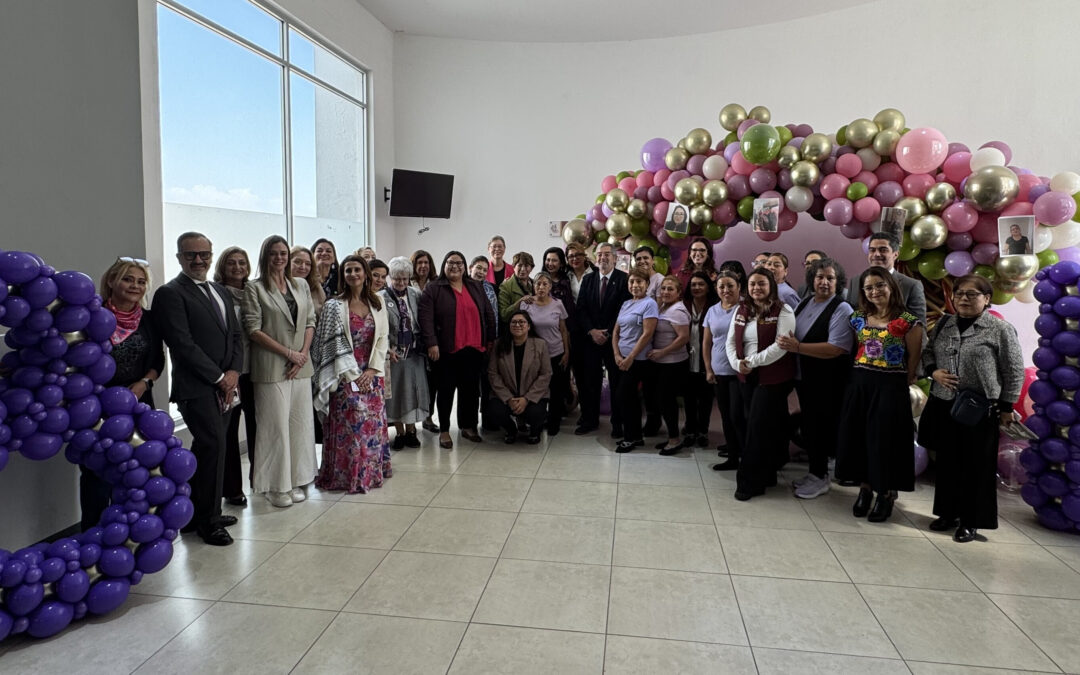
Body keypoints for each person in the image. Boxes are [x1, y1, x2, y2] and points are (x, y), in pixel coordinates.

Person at [153, 232, 243, 546]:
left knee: (208, 449)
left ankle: (196, 513)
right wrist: (220, 378)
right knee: (213, 446)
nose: (199, 260)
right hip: (197, 388)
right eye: (191, 255)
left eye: (204, 254)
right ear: (179, 257)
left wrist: (233, 371)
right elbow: (182, 344)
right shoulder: (169, 293)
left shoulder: (219, 289)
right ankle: (209, 521)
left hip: (226, 384)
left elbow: (235, 336)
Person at [920, 274, 1024, 542]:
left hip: (980, 409)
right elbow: (928, 353)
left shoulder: (1000, 329)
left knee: (976, 467)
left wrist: (1006, 407)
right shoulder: (945, 322)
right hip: (945, 402)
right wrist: (935, 373)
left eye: (972, 294)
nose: (964, 299)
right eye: (959, 293)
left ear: (987, 299)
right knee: (947, 463)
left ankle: (971, 520)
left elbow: (1013, 371)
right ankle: (947, 513)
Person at [82, 257, 165, 530]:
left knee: (137, 471)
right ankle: (92, 535)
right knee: (97, 474)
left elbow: (157, 362)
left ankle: (129, 534)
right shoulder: (91, 318)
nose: (135, 286)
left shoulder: (150, 320)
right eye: (128, 279)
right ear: (111, 281)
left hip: (138, 405)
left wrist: (144, 383)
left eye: (141, 282)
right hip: (97, 408)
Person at [836, 267, 924, 522]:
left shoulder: (909, 322)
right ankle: (864, 488)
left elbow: (912, 364)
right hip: (860, 384)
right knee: (859, 437)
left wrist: (898, 384)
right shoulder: (858, 318)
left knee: (884, 441)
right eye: (869, 287)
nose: (874, 291)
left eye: (879, 285)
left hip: (891, 386)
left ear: (891, 286)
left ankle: (885, 492)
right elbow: (857, 349)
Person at [242, 235, 318, 508]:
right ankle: (276, 486)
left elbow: (310, 320)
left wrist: (302, 354)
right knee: (274, 428)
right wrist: (289, 354)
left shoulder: (300, 285)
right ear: (265, 256)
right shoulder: (254, 288)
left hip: (301, 365)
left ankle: (298, 479)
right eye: (273, 253)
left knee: (300, 425)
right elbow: (253, 329)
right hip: (272, 366)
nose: (279, 258)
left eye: (283, 253)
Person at [312, 255, 392, 493]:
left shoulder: (378, 302)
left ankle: (369, 475)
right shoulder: (333, 306)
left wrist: (371, 370)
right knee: (352, 424)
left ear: (366, 273)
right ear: (342, 275)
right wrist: (353, 375)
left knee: (372, 425)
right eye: (348, 271)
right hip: (343, 374)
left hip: (372, 373)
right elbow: (329, 346)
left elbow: (383, 339)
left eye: (357, 269)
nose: (353, 274)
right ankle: (344, 477)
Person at [777, 258, 854, 499]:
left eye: (830, 278)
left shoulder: (842, 308)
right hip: (804, 377)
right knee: (810, 425)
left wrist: (797, 347)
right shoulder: (806, 302)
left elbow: (836, 348)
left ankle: (821, 477)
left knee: (821, 427)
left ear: (838, 282)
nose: (824, 282)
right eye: (819, 277)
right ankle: (815, 472)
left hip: (827, 380)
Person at [725, 268, 796, 500]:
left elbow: (781, 345)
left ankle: (749, 483)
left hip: (773, 378)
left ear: (771, 286)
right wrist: (737, 363)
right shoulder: (741, 309)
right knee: (759, 427)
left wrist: (752, 362)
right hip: (747, 375)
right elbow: (730, 341)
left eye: (762, 284)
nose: (756, 288)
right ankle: (768, 474)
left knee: (757, 428)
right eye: (753, 284)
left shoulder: (783, 310)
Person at [418, 250, 497, 449]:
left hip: (474, 348)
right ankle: (444, 429)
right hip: (446, 349)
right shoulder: (434, 288)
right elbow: (425, 318)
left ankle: (468, 426)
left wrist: (491, 339)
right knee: (445, 390)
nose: (455, 266)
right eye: (451, 263)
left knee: (470, 391)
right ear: (444, 265)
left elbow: (488, 313)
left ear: (465, 266)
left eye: (459, 263)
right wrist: (431, 343)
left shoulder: (475, 286)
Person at [214, 246, 256, 507]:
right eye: (231, 262)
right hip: (229, 375)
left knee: (257, 429)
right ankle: (232, 489)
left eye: (242, 262)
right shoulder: (215, 294)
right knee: (228, 433)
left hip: (255, 371)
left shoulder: (254, 292)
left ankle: (259, 480)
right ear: (222, 266)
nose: (237, 267)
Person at [576, 242, 630, 436]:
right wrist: (592, 330)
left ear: (615, 258)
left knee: (616, 381)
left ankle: (618, 423)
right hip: (591, 340)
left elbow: (624, 309)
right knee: (591, 382)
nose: (603, 258)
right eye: (599, 254)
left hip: (613, 340)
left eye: (607, 254)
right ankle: (590, 420)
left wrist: (608, 333)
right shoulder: (588, 279)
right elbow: (581, 308)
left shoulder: (624, 279)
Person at [382, 257, 428, 449]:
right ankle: (399, 433)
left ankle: (411, 431)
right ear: (390, 277)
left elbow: (422, 320)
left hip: (414, 353)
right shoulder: (380, 297)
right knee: (396, 395)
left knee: (413, 392)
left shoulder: (415, 294)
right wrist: (386, 349)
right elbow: (379, 328)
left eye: (404, 279)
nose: (401, 283)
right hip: (393, 354)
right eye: (396, 279)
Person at [612, 269, 659, 452]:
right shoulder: (626, 304)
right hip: (621, 359)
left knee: (624, 396)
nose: (635, 285)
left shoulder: (650, 304)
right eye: (632, 282)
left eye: (639, 282)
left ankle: (631, 437)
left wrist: (630, 357)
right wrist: (617, 354)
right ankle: (635, 436)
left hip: (638, 360)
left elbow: (647, 334)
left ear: (647, 284)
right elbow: (616, 331)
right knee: (627, 397)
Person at [488, 310, 552, 444]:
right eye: (514, 322)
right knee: (494, 410)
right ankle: (511, 430)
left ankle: (534, 431)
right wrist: (509, 398)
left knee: (536, 413)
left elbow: (546, 374)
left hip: (532, 395)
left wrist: (526, 399)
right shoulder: (499, 345)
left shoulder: (540, 345)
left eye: (522, 322)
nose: (518, 325)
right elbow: (493, 373)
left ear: (529, 326)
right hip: (508, 394)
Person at [704, 271, 745, 471]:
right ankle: (732, 456)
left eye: (730, 286)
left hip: (739, 372)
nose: (726, 290)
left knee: (738, 415)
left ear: (738, 287)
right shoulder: (712, 310)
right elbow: (706, 342)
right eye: (721, 287)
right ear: (716, 289)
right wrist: (708, 369)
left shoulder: (746, 308)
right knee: (726, 415)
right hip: (719, 371)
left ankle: (745, 455)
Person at [522, 272, 570, 435]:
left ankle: (553, 422)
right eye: (537, 284)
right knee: (536, 389)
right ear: (533, 286)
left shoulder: (558, 304)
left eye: (544, 284)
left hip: (556, 352)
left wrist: (566, 352)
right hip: (534, 354)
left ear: (550, 287)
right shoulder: (526, 304)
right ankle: (536, 419)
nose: (541, 287)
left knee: (556, 390)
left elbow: (563, 330)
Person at [648, 276, 691, 454]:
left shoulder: (677, 311)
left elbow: (683, 338)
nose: (665, 292)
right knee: (662, 400)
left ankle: (674, 440)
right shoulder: (664, 307)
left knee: (667, 401)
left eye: (670, 289)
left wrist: (662, 352)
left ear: (678, 292)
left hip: (673, 363)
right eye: (663, 288)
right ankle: (671, 436)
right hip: (662, 363)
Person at [847, 231, 927, 325]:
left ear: (895, 254)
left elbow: (920, 328)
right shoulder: (855, 282)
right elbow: (849, 323)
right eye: (872, 250)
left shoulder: (911, 285)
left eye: (883, 250)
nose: (876, 254)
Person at [683, 270, 720, 449]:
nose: (696, 288)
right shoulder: (684, 305)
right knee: (689, 398)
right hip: (686, 359)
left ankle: (703, 431)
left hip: (708, 360)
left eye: (701, 284)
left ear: (708, 287)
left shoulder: (714, 306)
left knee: (706, 399)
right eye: (693, 285)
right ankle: (690, 430)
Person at [411, 249, 439, 432]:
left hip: (432, 338)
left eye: (426, 263)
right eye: (419, 263)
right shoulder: (406, 282)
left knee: (431, 381)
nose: (423, 266)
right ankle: (410, 421)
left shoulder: (436, 284)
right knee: (412, 381)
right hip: (412, 341)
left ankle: (428, 417)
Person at [498, 251, 535, 326]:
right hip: (515, 330)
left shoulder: (536, 284)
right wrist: (519, 302)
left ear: (531, 268)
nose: (523, 269)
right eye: (520, 265)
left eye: (526, 266)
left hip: (534, 329)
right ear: (514, 267)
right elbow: (504, 315)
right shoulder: (505, 286)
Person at [291, 246, 326, 321]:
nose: (303, 267)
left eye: (307, 264)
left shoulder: (316, 287)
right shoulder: (279, 285)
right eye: (297, 262)